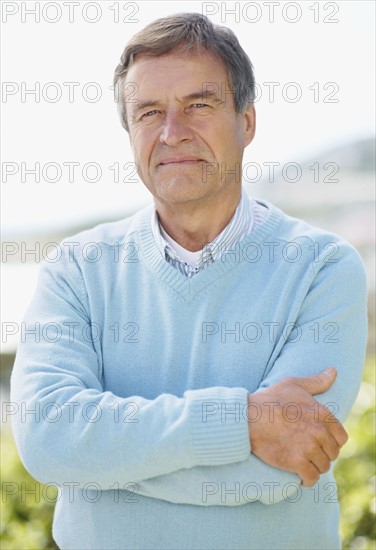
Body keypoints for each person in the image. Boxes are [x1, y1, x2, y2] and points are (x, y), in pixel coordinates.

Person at [11, 12, 367, 550]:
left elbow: (279, 470)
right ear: (130, 132)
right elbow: (47, 442)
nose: (172, 132)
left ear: (246, 121)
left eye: (199, 105)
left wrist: (103, 464)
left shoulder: (323, 268)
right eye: (149, 112)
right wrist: (240, 422)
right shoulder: (76, 269)